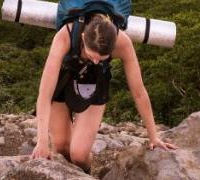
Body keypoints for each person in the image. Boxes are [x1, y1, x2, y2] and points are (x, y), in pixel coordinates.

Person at [31, 11, 175, 170]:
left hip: (96, 81)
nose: (95, 61)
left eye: (102, 58)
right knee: (61, 146)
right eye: (91, 55)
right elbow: (45, 93)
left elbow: (139, 93)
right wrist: (42, 142)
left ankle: (85, 176)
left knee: (78, 155)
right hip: (63, 79)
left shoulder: (123, 43)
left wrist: (153, 137)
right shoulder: (65, 36)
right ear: (84, 37)